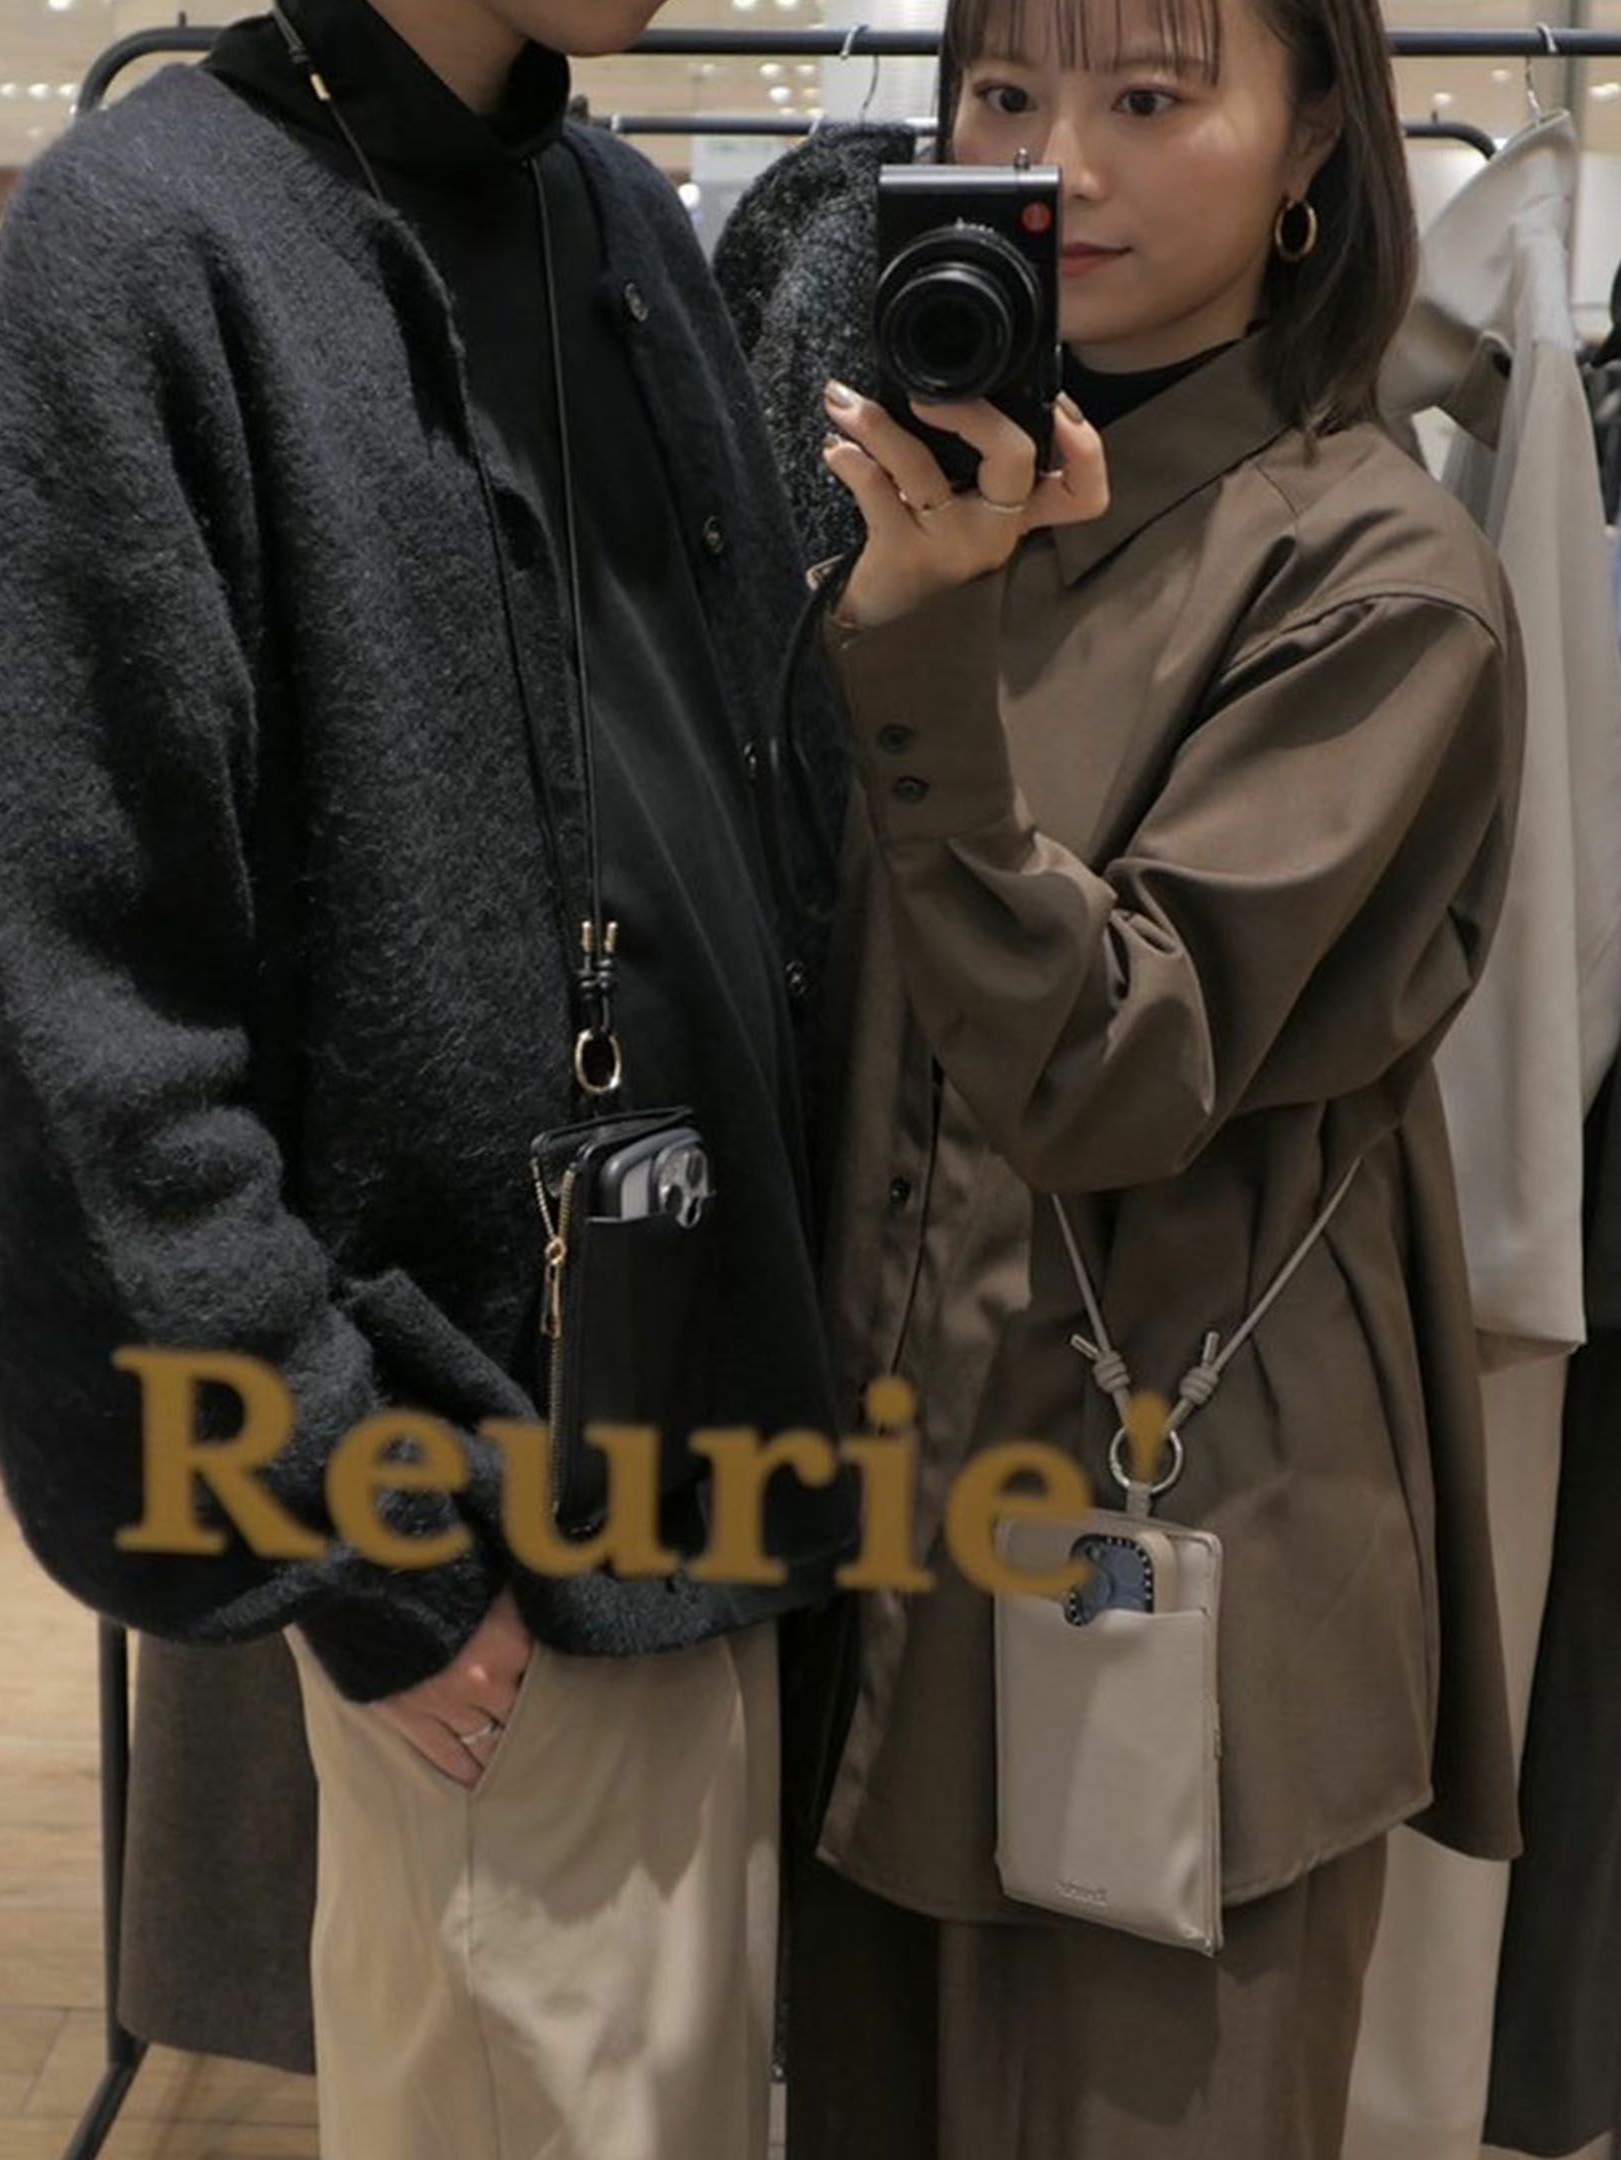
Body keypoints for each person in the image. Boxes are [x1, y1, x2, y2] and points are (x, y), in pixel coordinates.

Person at [0, 2, 858, 2153]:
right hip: (488, 1513)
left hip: (720, 1457)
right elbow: (70, 1014)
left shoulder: (611, 216)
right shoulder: (151, 240)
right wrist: (359, 1518)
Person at [717, 0, 1529, 2150]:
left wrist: (914, 654)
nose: (1062, 158)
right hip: (876, 1569)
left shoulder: (1379, 580)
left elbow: (1110, 1071)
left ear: (1312, 142)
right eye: (1008, 92)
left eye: (1152, 97)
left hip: (1177, 1576)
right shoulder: (916, 510)